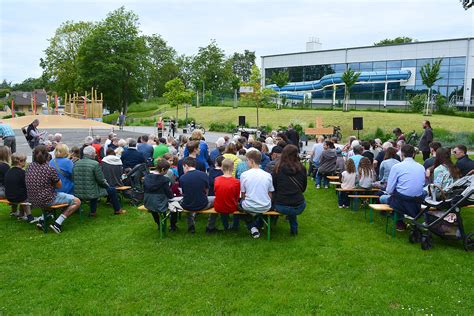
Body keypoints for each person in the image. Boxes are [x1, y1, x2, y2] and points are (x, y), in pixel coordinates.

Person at [25, 145, 81, 234]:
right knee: (77, 201)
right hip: (46, 199)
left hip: (32, 199)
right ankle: (57, 223)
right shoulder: (49, 169)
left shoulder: (29, 167)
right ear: (47, 155)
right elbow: (59, 186)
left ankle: (42, 220)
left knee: (48, 197)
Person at [379, 144, 425, 231]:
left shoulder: (397, 167)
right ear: (414, 154)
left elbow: (389, 190)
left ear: (402, 154)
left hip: (402, 200)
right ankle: (403, 220)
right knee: (396, 197)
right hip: (417, 200)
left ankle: (399, 221)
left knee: (383, 198)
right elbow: (422, 184)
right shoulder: (421, 167)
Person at [73, 146, 126, 216]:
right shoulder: (95, 164)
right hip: (91, 191)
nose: (95, 155)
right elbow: (101, 180)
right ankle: (118, 210)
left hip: (78, 192)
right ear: (91, 154)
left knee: (93, 188)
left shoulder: (76, 163)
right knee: (112, 190)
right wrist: (107, 186)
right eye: (95, 153)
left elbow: (73, 177)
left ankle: (93, 212)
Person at [272, 144, 307, 235]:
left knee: (285, 203)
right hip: (299, 205)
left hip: (281, 206)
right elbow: (303, 188)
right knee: (292, 205)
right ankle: (294, 230)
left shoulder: (277, 168)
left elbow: (273, 187)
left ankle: (267, 224)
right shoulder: (302, 168)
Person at [173, 157, 214, 233]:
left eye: (183, 167)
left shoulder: (182, 178)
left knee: (187, 200)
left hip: (187, 205)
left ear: (186, 166)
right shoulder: (204, 175)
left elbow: (184, 192)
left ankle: (190, 226)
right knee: (216, 200)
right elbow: (207, 190)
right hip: (203, 204)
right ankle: (210, 226)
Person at [239, 150, 274, 239]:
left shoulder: (244, 175)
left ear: (251, 161)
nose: (246, 162)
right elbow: (270, 193)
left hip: (249, 206)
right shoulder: (267, 175)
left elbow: (243, 194)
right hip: (265, 205)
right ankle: (257, 226)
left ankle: (252, 226)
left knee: (238, 205)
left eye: (247, 160)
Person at [144, 158, 174, 231]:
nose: (166, 172)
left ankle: (158, 223)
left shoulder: (146, 177)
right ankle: (173, 226)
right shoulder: (164, 179)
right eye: (166, 170)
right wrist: (173, 197)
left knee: (154, 208)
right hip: (160, 204)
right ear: (163, 169)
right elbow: (169, 194)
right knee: (174, 206)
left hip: (148, 203)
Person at [212, 158, 241, 231]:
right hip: (231, 206)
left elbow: (216, 191)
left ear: (221, 167)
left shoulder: (216, 179)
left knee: (223, 203)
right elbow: (237, 196)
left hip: (218, 206)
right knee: (238, 204)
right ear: (233, 168)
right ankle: (235, 226)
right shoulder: (236, 182)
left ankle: (226, 225)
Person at [5, 153, 35, 222]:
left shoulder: (9, 171)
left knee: (20, 192)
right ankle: (29, 216)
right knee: (29, 196)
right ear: (20, 162)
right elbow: (27, 185)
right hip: (20, 197)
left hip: (9, 196)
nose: (26, 162)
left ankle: (20, 214)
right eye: (25, 161)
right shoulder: (22, 173)